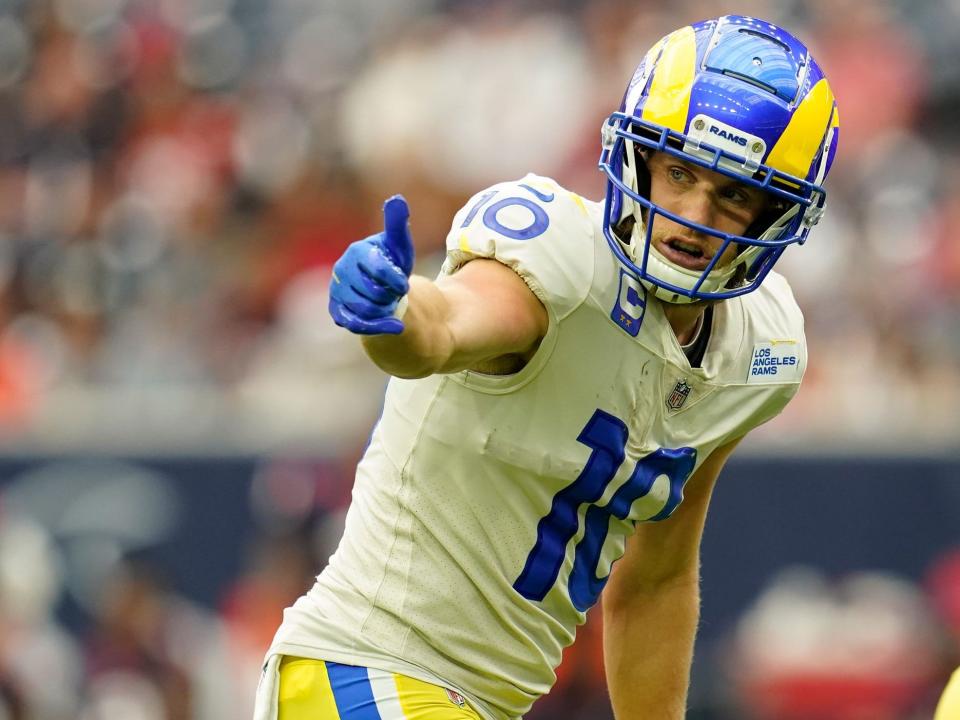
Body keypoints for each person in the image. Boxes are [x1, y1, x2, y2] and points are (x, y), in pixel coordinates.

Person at [253, 14, 840, 720]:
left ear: (775, 215)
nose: (691, 215)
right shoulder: (562, 260)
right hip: (365, 664)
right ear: (639, 159)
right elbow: (445, 327)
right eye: (679, 172)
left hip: (478, 703)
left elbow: (655, 578)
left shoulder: (757, 351)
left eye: (733, 194)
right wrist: (394, 313)